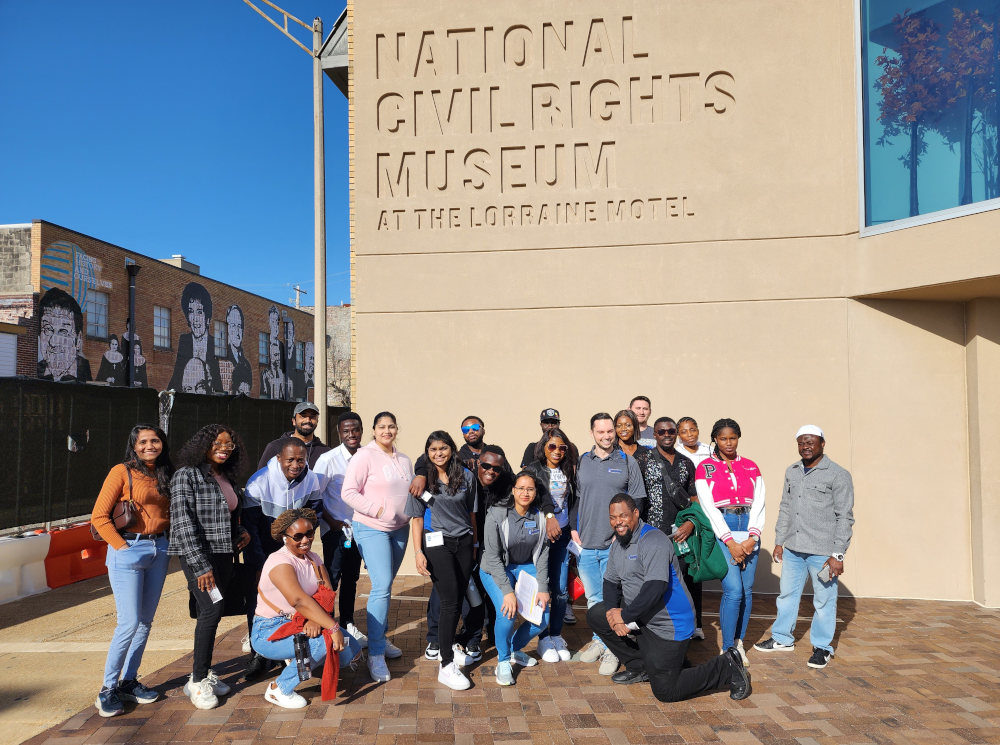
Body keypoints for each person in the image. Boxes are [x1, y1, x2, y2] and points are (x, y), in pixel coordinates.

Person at [587, 495, 751, 701]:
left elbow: (655, 588)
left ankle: (727, 665)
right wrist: (613, 614)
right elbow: (610, 582)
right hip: (642, 617)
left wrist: (625, 616)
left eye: (623, 516)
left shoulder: (653, 540)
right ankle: (640, 667)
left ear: (635, 514)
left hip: (670, 625)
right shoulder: (618, 545)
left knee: (666, 690)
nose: (618, 522)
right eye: (613, 517)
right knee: (597, 615)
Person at [754, 425, 854, 669]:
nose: (806, 447)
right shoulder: (793, 471)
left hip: (822, 552)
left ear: (822, 443)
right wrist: (779, 541)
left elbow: (845, 517)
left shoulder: (838, 475)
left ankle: (822, 647)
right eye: (801, 443)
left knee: (823, 601)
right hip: (794, 549)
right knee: (787, 596)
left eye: (811, 442)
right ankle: (782, 639)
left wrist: (837, 554)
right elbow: (786, 507)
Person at [91, 425, 173, 717]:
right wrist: (121, 548)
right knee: (128, 623)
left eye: (155, 440)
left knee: (145, 623)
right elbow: (99, 516)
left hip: (159, 550)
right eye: (144, 442)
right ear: (134, 446)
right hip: (129, 549)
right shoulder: (121, 472)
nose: (150, 446)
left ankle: (128, 681)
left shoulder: (165, 472)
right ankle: (106, 690)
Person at [168, 424, 252, 710]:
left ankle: (204, 674)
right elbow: (182, 524)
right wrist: (200, 566)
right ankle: (197, 680)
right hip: (200, 559)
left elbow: (226, 516)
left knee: (214, 610)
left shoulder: (225, 476)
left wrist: (239, 534)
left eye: (229, 444)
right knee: (211, 610)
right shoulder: (186, 476)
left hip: (223, 555)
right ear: (203, 444)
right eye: (218, 443)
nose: (224, 448)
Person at [251, 508, 362, 708]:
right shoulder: (279, 561)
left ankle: (299, 656)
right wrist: (332, 627)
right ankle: (279, 689)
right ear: (285, 537)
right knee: (322, 644)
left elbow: (327, 594)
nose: (306, 540)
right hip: (269, 629)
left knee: (351, 653)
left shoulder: (313, 559)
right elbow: (299, 601)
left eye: (309, 533)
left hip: (302, 621)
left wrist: (315, 620)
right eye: (298, 536)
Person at [242, 438, 325, 676]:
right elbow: (251, 527)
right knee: (260, 602)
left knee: (293, 598)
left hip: (293, 550)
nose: (296, 465)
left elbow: (313, 515)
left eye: (301, 459)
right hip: (263, 550)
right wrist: (259, 563)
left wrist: (301, 547)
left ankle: (285, 650)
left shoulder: (311, 479)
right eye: (290, 459)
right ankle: (259, 655)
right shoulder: (258, 482)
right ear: (279, 458)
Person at [341, 411, 412, 682]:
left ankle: (377, 637)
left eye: (391, 426)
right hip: (371, 528)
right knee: (381, 587)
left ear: (397, 429)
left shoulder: (403, 458)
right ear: (373, 430)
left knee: (385, 588)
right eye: (381, 426)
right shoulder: (364, 456)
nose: (387, 431)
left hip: (400, 530)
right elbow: (348, 492)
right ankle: (376, 654)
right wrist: (378, 510)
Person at [574, 412, 647, 675]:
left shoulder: (627, 461)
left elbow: (637, 501)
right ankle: (599, 640)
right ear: (592, 432)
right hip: (586, 545)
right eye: (600, 432)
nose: (606, 436)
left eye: (609, 431)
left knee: (614, 599)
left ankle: (613, 649)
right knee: (594, 599)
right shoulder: (582, 461)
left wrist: (625, 533)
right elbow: (577, 499)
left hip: (615, 545)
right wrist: (573, 528)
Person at [423, 445, 510, 663]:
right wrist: (418, 474)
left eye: (496, 468)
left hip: (480, 548)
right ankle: (436, 638)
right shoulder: (463, 476)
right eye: (486, 465)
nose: (490, 471)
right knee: (444, 593)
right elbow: (428, 460)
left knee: (476, 595)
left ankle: (471, 639)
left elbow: (529, 487)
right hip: (452, 543)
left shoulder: (504, 485)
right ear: (476, 463)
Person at [407, 431, 478, 690]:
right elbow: (415, 519)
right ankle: (446, 664)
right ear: (427, 453)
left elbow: (471, 513)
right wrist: (418, 552)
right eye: (433, 449)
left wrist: (475, 543)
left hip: (464, 542)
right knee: (449, 601)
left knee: (458, 598)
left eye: (443, 448)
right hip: (436, 543)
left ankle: (449, 645)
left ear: (452, 449)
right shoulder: (423, 479)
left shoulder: (467, 476)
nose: (439, 453)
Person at [696, 418, 765, 664]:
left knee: (746, 591)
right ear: (715, 438)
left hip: (748, 527)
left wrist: (752, 537)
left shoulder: (751, 466)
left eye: (732, 438)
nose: (728, 443)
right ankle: (728, 648)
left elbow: (759, 503)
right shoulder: (705, 467)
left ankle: (739, 643)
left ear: (738, 438)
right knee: (734, 591)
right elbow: (709, 507)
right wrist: (730, 542)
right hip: (722, 529)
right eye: (723, 438)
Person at [480, 471, 551, 685]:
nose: (525, 493)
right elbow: (492, 557)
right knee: (507, 612)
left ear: (535, 492)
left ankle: (512, 649)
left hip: (525, 567)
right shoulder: (496, 514)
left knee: (543, 616)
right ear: (513, 490)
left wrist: (543, 586)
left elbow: (543, 554)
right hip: (495, 569)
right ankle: (503, 662)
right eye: (521, 488)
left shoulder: (539, 517)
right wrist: (507, 592)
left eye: (530, 489)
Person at [637, 417, 704, 640]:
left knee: (683, 581)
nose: (667, 434)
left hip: (681, 535)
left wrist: (690, 523)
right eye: (661, 431)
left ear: (676, 434)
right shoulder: (643, 459)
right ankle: (651, 628)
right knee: (652, 581)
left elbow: (695, 500)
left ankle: (686, 627)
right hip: (652, 533)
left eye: (671, 431)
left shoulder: (687, 463)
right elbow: (636, 497)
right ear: (654, 434)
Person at [312, 412, 368, 648]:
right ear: (339, 433)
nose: (351, 435)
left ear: (361, 430)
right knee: (331, 578)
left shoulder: (368, 456)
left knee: (352, 578)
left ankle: (347, 622)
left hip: (361, 530)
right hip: (336, 531)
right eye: (346, 431)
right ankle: (327, 623)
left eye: (355, 430)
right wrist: (331, 521)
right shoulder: (328, 459)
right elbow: (315, 496)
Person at [524, 427, 577, 663]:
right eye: (552, 446)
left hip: (563, 534)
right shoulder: (534, 470)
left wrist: (573, 528)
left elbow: (573, 502)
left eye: (562, 447)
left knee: (561, 589)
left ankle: (555, 634)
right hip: (542, 535)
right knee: (542, 587)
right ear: (543, 447)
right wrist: (548, 517)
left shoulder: (568, 471)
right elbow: (535, 497)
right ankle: (542, 637)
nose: (557, 451)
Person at [168, 282, 222, 394]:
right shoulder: (184, 341)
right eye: (191, 312)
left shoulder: (214, 343)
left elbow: (218, 384)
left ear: (207, 316)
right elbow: (177, 377)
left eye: (199, 311)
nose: (195, 318)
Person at [37, 287, 92, 382]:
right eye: (47, 329)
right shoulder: (34, 370)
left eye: (63, 332)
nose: (53, 343)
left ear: (78, 341)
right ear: (39, 336)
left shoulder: (85, 375)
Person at [258, 401, 332, 470]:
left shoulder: (325, 452)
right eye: (303, 416)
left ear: (317, 421)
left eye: (312, 417)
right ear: (294, 421)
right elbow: (260, 478)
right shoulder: (275, 447)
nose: (308, 420)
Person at [221, 304, 253, 395]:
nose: (237, 332)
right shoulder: (222, 359)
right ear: (227, 328)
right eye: (233, 325)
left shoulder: (246, 364)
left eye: (239, 326)